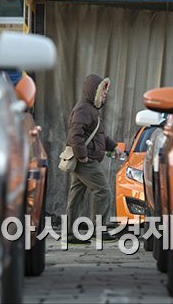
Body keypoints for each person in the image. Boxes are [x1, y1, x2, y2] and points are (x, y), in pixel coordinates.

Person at [66, 74, 124, 244]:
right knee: (103, 192)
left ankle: (69, 233)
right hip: (86, 161)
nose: (105, 94)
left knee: (76, 195)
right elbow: (75, 134)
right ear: (94, 91)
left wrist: (113, 146)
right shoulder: (84, 109)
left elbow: (99, 136)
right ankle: (98, 230)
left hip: (85, 159)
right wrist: (82, 155)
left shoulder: (91, 109)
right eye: (103, 91)